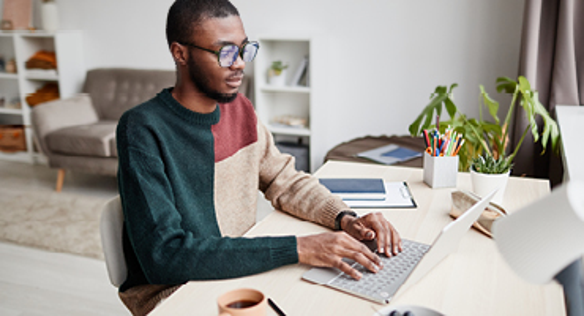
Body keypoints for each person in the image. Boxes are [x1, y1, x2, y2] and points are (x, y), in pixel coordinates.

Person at [116, 0, 402, 314]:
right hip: (177, 292)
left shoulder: (240, 110)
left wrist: (345, 219)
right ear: (180, 53)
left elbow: (286, 181)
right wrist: (299, 248)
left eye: (243, 49)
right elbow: (165, 256)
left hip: (240, 268)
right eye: (224, 52)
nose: (239, 63)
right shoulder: (143, 129)